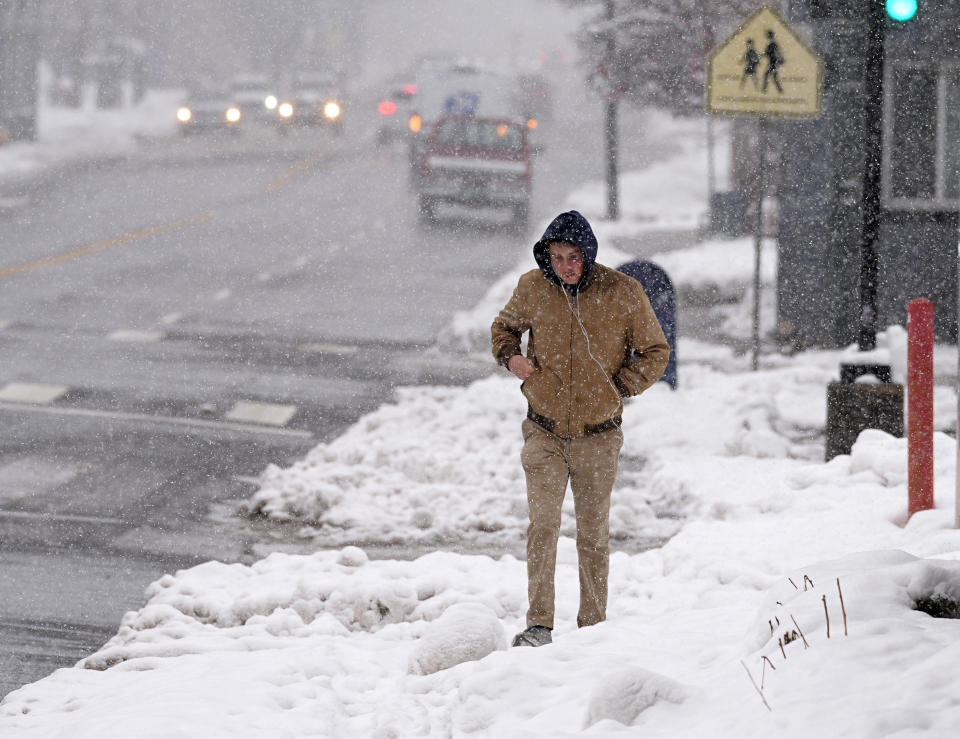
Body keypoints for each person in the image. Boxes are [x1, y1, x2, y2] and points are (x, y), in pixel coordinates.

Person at [491, 210, 670, 647]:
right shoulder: (533, 288)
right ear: (546, 257)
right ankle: (539, 624)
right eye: (557, 257)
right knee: (544, 525)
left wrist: (617, 387)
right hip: (544, 430)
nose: (566, 267)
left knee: (592, 533)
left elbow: (655, 351)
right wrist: (512, 359)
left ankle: (593, 626)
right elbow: (504, 328)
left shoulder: (623, 292)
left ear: (588, 255)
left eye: (574, 257)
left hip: (599, 434)